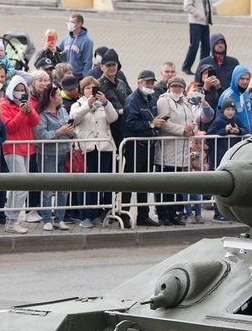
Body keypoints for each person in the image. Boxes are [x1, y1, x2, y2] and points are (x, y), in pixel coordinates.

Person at [70, 77, 117, 227]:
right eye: (88, 88)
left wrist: (105, 103)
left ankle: (96, 214)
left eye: (94, 88)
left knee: (99, 182)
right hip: (86, 147)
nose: (91, 90)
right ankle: (84, 215)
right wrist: (87, 106)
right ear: (83, 90)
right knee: (85, 183)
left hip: (103, 146)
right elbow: (73, 119)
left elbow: (113, 117)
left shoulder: (103, 104)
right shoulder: (77, 104)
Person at [121, 69, 164, 227]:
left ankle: (143, 214)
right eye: (147, 82)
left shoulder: (151, 99)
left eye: (152, 82)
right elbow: (130, 123)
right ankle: (124, 214)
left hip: (148, 146)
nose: (150, 85)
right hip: (135, 146)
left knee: (144, 182)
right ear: (139, 83)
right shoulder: (132, 100)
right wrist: (151, 124)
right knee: (129, 181)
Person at [0, 76, 39, 234]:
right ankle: (12, 220)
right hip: (12, 148)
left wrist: (29, 111)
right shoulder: (4, 105)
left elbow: (35, 122)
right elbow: (10, 127)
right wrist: (22, 113)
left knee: (19, 186)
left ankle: (11, 218)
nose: (20, 93)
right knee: (21, 186)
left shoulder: (27, 103)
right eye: (18, 90)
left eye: (23, 90)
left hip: (27, 148)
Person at [154, 76, 195, 226]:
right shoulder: (164, 101)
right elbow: (164, 123)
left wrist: (192, 129)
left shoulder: (185, 101)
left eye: (180, 87)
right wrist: (182, 130)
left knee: (176, 185)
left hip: (182, 150)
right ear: (169, 87)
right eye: (174, 87)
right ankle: (163, 214)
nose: (177, 89)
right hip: (168, 149)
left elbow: (192, 120)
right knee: (165, 185)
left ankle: (175, 214)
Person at [33, 81, 73, 231]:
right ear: (51, 97)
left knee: (63, 188)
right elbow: (41, 135)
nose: (61, 96)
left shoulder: (62, 110)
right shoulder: (42, 114)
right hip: (47, 155)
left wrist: (70, 132)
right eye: (58, 94)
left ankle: (59, 218)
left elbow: (70, 129)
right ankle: (47, 218)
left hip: (64, 152)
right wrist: (59, 132)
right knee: (47, 188)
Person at [205, 101, 249, 221]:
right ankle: (218, 212)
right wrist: (224, 130)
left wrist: (238, 131)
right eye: (228, 110)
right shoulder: (219, 121)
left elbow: (245, 129)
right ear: (223, 110)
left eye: (232, 110)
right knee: (218, 185)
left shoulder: (236, 119)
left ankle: (229, 212)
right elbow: (210, 134)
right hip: (219, 155)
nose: (230, 112)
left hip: (231, 156)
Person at [183, 0, 212, 75]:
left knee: (206, 46)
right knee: (194, 45)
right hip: (195, 22)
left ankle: (203, 68)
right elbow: (187, 6)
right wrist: (199, 15)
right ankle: (186, 66)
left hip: (205, 23)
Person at [217, 65, 252, 133]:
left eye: (247, 79)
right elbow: (220, 118)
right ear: (235, 79)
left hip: (249, 136)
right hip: (235, 139)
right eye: (242, 79)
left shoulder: (246, 94)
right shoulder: (228, 96)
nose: (245, 82)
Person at [61, 14, 93, 79]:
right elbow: (60, 52)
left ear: (79, 24)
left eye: (72, 22)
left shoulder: (86, 41)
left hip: (78, 75)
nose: (69, 24)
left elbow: (88, 61)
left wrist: (84, 77)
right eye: (69, 22)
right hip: (65, 74)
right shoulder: (66, 39)